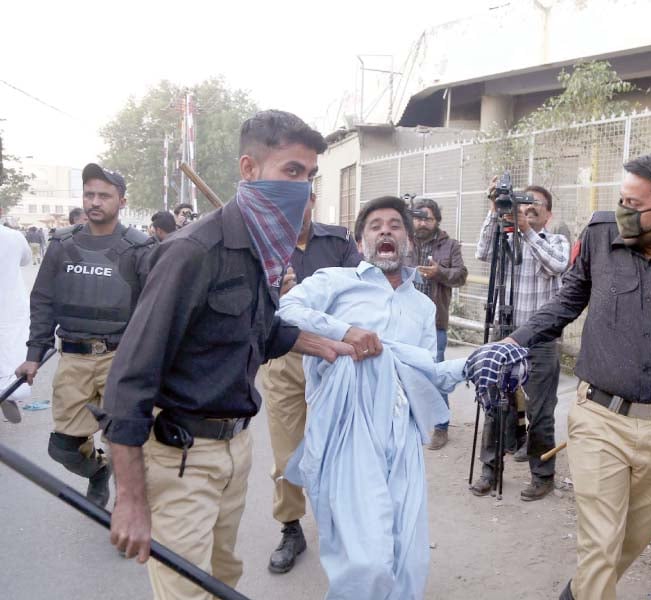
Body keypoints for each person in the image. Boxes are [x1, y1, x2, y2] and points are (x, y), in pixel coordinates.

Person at [466, 152, 651, 600]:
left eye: (633, 202)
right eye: (620, 198)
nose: (622, 210)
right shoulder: (601, 234)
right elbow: (567, 302)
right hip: (598, 420)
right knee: (602, 544)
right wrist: (513, 343)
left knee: (627, 543)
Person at [97, 110, 355, 600]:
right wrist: (129, 498)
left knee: (222, 579)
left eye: (310, 175)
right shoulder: (194, 251)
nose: (302, 187)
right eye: (292, 171)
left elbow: (255, 330)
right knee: (187, 592)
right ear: (249, 168)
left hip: (236, 450)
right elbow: (128, 382)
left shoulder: (263, 244)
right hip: (179, 457)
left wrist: (324, 342)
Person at [278, 195, 466, 600]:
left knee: (408, 560)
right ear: (361, 243)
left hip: (401, 437)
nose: (385, 230)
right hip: (346, 432)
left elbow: (424, 373)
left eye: (395, 225)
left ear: (408, 241)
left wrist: (472, 367)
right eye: (375, 225)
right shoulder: (334, 282)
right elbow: (284, 311)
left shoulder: (421, 305)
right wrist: (344, 332)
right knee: (366, 564)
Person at [14, 164, 153, 507]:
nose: (95, 201)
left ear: (122, 201)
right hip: (74, 357)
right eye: (89, 194)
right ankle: (96, 470)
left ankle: (127, 509)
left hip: (121, 359)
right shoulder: (62, 244)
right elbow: (43, 301)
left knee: (126, 442)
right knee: (63, 448)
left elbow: (155, 308)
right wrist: (34, 354)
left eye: (104, 195)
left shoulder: (140, 248)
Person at [260, 190, 361, 574]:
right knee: (287, 454)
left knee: (340, 448)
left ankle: (344, 526)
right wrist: (275, 294)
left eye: (297, 200)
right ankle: (290, 527)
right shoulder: (263, 245)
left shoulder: (338, 241)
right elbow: (249, 305)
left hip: (334, 357)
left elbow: (361, 289)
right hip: (285, 355)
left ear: (312, 200)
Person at [472, 181, 569, 500]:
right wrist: (494, 210)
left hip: (540, 338)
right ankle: (490, 469)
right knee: (496, 405)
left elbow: (557, 265)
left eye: (534, 206)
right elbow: (482, 252)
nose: (525, 211)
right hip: (505, 333)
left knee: (541, 412)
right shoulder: (506, 237)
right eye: (521, 205)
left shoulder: (556, 240)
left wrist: (527, 230)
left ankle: (543, 474)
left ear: (548, 214)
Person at [408, 197, 468, 450]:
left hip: (434, 322)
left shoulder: (450, 245)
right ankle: (410, 421)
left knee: (437, 372)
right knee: (405, 371)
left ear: (437, 221)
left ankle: (441, 427)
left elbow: (461, 276)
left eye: (428, 218)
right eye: (419, 217)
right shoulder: (404, 241)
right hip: (405, 319)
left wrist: (439, 273)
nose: (422, 222)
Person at [0, 224, 32, 410]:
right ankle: (9, 392)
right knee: (10, 350)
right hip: (10, 305)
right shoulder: (14, 236)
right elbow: (26, 260)